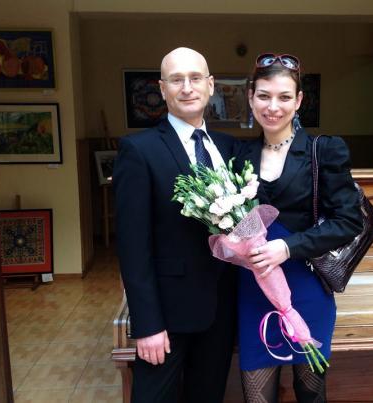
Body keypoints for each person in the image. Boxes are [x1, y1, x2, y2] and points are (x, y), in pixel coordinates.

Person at [235, 53, 363, 402]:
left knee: (310, 392)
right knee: (257, 396)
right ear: (250, 97)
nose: (273, 106)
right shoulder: (238, 154)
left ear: (299, 100)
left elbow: (348, 221)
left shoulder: (325, 150)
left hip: (307, 284)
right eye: (264, 96)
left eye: (284, 97)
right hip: (254, 288)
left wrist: (288, 247)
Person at [113, 47, 237, 403]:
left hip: (220, 311)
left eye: (195, 78)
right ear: (162, 88)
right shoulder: (138, 150)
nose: (187, 87)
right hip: (167, 315)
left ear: (210, 85)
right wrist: (147, 324)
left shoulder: (229, 147)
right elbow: (132, 247)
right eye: (176, 79)